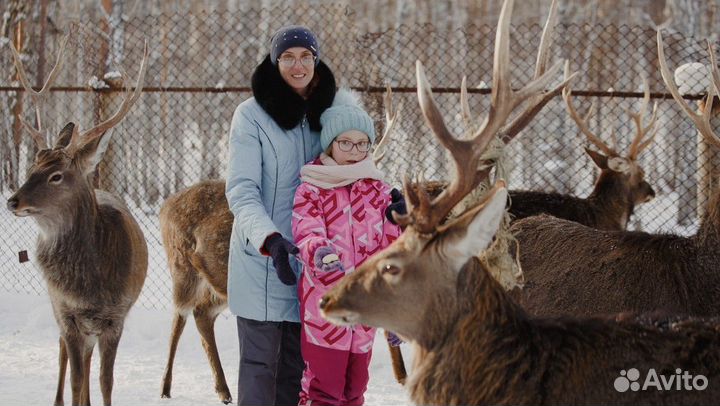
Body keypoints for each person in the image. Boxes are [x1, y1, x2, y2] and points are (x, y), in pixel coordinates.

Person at [225, 25, 337, 406]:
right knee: (260, 369)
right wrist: (269, 240)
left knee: (296, 371)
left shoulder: (330, 113)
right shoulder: (251, 116)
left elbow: (354, 166)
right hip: (263, 261)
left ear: (316, 61)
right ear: (275, 63)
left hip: (311, 264)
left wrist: (386, 198)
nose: (297, 64)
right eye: (287, 57)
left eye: (305, 56)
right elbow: (242, 191)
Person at [291, 100, 403, 406]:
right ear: (330, 144)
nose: (355, 151)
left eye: (362, 144)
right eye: (346, 143)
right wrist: (321, 256)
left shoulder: (378, 190)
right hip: (328, 309)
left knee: (355, 389)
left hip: (365, 308)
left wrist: (399, 221)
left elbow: (390, 247)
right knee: (324, 389)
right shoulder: (312, 188)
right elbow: (307, 231)